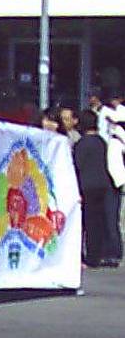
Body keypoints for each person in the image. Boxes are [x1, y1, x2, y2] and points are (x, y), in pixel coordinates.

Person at [73, 110, 122, 268]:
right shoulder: (102, 142)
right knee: (101, 221)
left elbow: (77, 165)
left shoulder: (82, 143)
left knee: (89, 222)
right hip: (104, 185)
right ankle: (101, 254)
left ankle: (92, 257)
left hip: (87, 186)